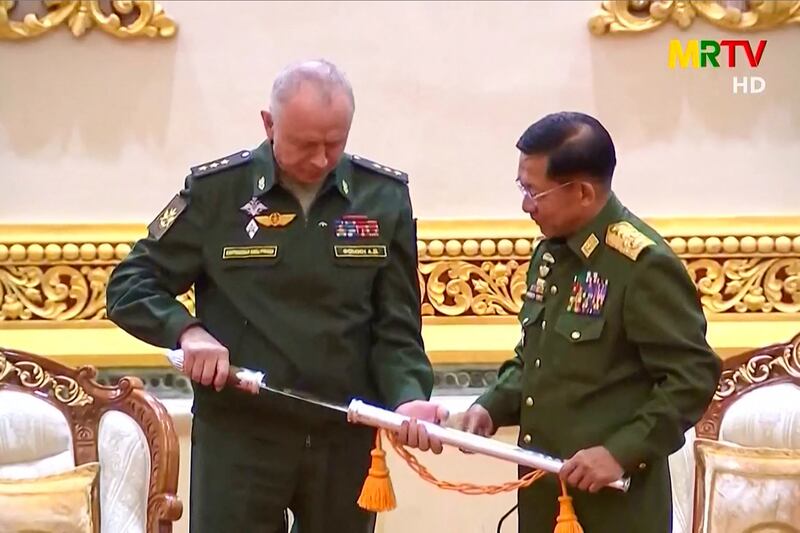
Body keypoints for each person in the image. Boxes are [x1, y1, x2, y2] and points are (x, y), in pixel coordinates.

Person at [106, 59, 446, 533]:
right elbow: (129, 284)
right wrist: (187, 331)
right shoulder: (217, 192)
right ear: (268, 124)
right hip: (241, 436)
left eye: (336, 143)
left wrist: (408, 398)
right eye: (306, 144)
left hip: (343, 436)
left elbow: (397, 326)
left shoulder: (382, 196)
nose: (322, 159)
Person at [398, 111, 722, 532]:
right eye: (522, 186)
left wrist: (619, 452)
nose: (525, 204)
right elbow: (536, 358)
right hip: (545, 495)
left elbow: (692, 377)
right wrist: (488, 407)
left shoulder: (641, 266)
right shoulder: (552, 254)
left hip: (613, 505)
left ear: (583, 192)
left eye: (535, 191)